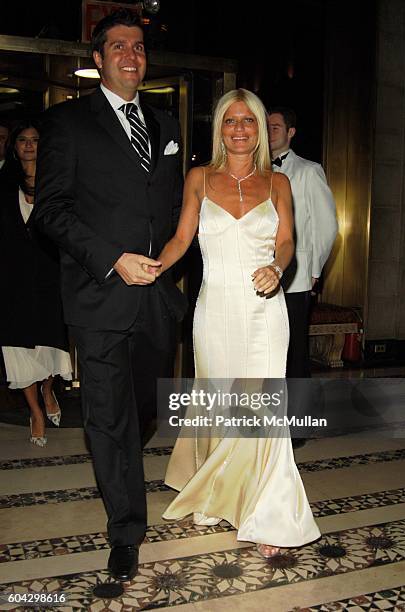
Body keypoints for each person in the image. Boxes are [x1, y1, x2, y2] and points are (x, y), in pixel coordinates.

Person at [34, 9, 185, 581]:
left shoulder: (167, 125)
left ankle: (126, 454)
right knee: (106, 416)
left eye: (139, 47)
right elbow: (50, 210)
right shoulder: (67, 123)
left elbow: (174, 209)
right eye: (118, 47)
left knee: (144, 407)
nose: (131, 55)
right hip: (99, 295)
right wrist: (111, 259)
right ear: (98, 60)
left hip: (156, 298)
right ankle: (125, 528)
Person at [157, 89, 320, 558]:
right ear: (220, 129)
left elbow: (287, 241)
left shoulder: (279, 183)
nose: (241, 128)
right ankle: (217, 491)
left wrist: (278, 266)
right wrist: (151, 267)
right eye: (231, 120)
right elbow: (181, 239)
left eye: (249, 120)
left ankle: (268, 510)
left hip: (265, 309)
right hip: (215, 310)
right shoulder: (198, 178)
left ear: (260, 130)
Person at [267, 107, 338, 447]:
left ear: (291, 132)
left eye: (276, 126)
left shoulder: (310, 172)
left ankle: (297, 428)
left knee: (294, 354)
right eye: (265, 126)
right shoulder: (254, 171)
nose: (270, 131)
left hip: (295, 279)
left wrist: (313, 271)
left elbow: (326, 227)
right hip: (260, 279)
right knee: (268, 353)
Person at [0, 120, 72, 447]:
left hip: (50, 274)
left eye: (35, 139)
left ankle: (47, 388)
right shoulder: (2, 182)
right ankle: (36, 412)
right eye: (23, 140)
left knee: (50, 344)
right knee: (17, 348)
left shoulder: (56, 181)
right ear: (14, 147)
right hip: (12, 277)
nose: (29, 145)